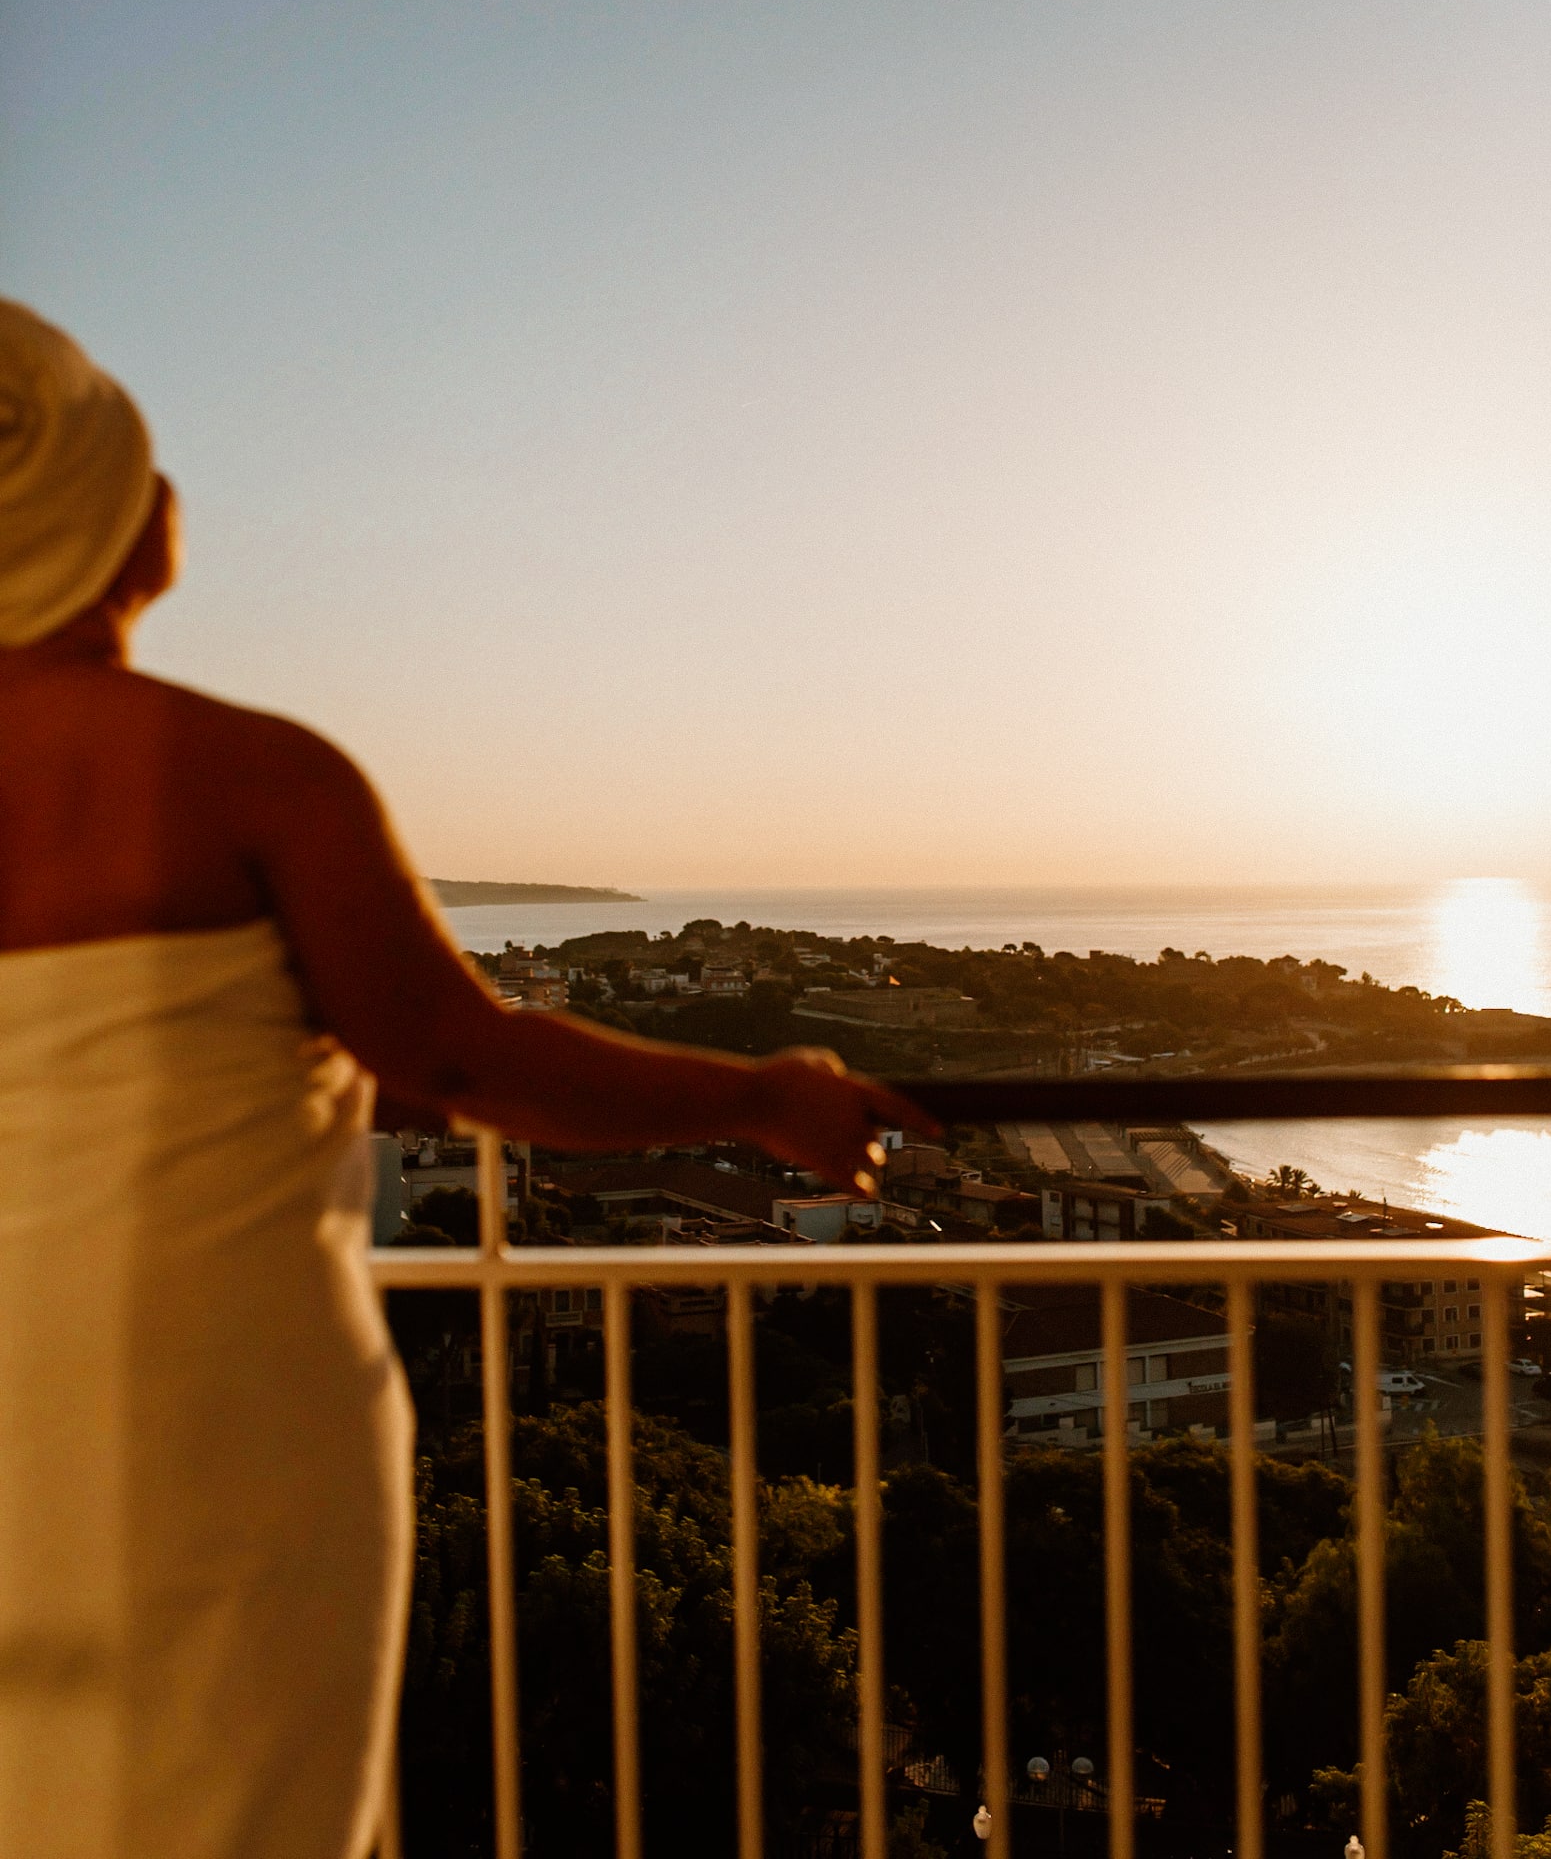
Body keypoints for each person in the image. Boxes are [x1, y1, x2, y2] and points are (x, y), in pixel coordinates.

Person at [0, 299, 932, 1859]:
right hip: (212, 1416)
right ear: (114, 520)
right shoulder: (256, 777)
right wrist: (763, 1098)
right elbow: (457, 1056)